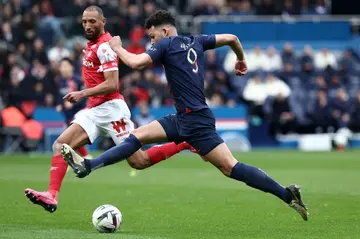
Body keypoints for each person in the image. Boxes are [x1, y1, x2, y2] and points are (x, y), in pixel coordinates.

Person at [62, 9, 309, 221]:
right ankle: (88, 165)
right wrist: (241, 60)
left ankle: (287, 194)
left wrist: (117, 48)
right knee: (136, 137)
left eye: (152, 36)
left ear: (166, 31)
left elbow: (136, 63)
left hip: (194, 121)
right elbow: (232, 37)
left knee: (230, 167)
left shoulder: (167, 44)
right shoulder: (197, 40)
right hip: (188, 116)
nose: (151, 42)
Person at [24, 6, 191, 213]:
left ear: (103, 21)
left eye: (92, 21)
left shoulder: (104, 47)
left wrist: (82, 93)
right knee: (60, 145)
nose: (87, 25)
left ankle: (184, 143)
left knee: (139, 161)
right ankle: (52, 195)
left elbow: (113, 84)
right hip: (94, 110)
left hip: (112, 110)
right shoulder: (93, 45)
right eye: (84, 21)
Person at [55, 57, 91, 159]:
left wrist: (73, 104)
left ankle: (85, 157)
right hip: (67, 114)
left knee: (71, 138)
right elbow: (59, 97)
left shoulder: (78, 81)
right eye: (61, 66)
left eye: (65, 66)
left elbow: (84, 98)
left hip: (78, 114)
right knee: (71, 139)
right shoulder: (60, 82)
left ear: (71, 67)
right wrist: (59, 105)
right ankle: (81, 158)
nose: (63, 69)